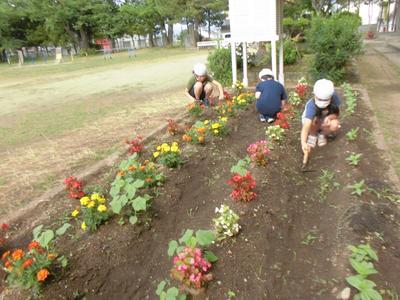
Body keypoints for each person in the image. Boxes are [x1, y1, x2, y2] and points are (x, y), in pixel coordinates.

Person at [301, 79, 341, 154]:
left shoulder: (334, 98)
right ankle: (313, 135)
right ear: (314, 94)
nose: (322, 102)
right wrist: (303, 143)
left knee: (335, 124)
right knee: (313, 120)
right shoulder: (311, 105)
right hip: (314, 121)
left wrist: (329, 118)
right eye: (319, 99)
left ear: (331, 97)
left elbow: (336, 113)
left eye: (325, 100)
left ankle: (322, 134)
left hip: (324, 119)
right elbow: (306, 126)